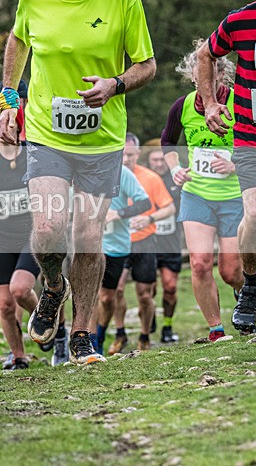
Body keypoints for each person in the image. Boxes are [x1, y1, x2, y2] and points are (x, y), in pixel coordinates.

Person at [0, 0, 155, 364]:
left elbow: (148, 64)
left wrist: (115, 85)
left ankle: (83, 334)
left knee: (87, 235)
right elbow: (18, 41)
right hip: (47, 133)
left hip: (102, 140)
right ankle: (52, 286)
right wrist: (8, 101)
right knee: (48, 228)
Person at [197, 0, 256, 335]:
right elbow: (206, 55)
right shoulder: (241, 21)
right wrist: (209, 103)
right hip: (252, 136)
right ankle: (252, 284)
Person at [163, 41, 243, 341]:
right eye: (199, 75)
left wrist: (236, 163)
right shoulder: (181, 106)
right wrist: (175, 169)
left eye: (212, 74)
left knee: (231, 272)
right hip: (196, 194)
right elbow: (168, 143)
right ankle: (216, 329)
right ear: (194, 76)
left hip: (234, 196)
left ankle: (245, 297)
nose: (206, 80)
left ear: (221, 75)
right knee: (198, 263)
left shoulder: (239, 103)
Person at [0, 105, 45, 369]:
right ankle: (18, 355)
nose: (2, 128)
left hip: (30, 234)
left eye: (9, 124)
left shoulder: (32, 155)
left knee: (20, 289)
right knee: (4, 304)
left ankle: (44, 320)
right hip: (1, 236)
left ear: (18, 128)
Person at [108, 133, 175, 353]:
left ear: (138, 154)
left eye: (130, 154)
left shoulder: (150, 178)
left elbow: (169, 207)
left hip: (144, 240)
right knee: (116, 289)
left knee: (145, 295)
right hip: (118, 242)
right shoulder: (109, 176)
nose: (126, 159)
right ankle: (120, 333)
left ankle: (145, 336)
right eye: (122, 155)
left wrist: (149, 218)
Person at [89, 163, 150, 355]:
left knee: (107, 298)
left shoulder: (121, 172)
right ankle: (89, 342)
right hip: (88, 244)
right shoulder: (77, 167)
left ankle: (99, 334)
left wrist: (119, 213)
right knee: (88, 294)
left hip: (115, 245)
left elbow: (145, 203)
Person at [145, 140, 183, 343]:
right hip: (148, 242)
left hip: (170, 242)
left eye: (162, 160)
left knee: (170, 287)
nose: (159, 164)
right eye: (155, 160)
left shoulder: (175, 180)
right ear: (149, 161)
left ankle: (167, 327)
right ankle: (149, 321)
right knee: (149, 288)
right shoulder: (143, 179)